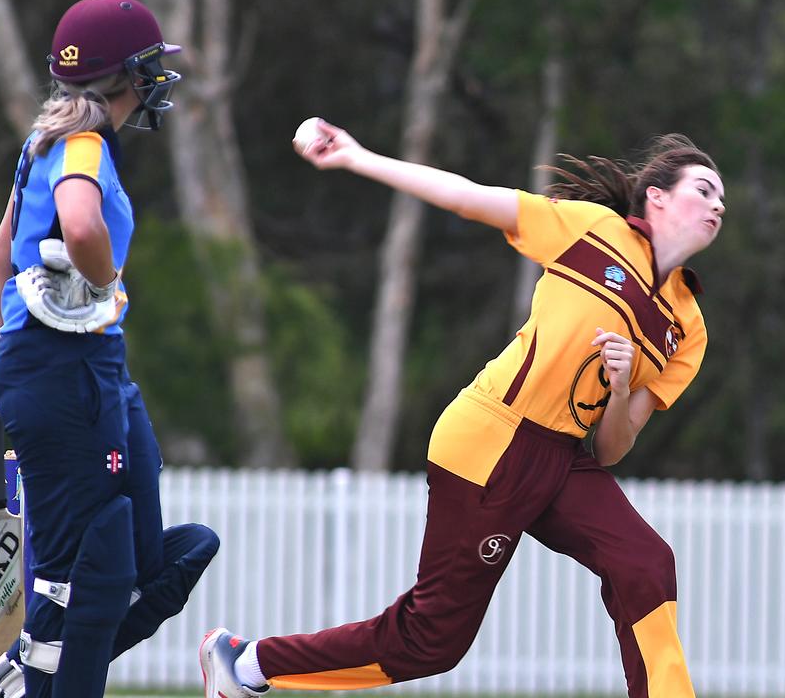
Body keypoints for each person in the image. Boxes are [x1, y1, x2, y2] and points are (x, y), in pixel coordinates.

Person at [199, 119, 724, 698]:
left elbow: (611, 448)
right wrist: (359, 157)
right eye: (703, 188)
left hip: (565, 458)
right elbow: (470, 198)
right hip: (491, 439)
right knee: (431, 642)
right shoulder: (593, 230)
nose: (716, 203)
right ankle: (245, 664)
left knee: (645, 562)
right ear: (656, 197)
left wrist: (622, 390)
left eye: (722, 197)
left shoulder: (689, 326)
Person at [0, 0, 218, 698]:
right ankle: (24, 679)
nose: (159, 77)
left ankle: (10, 675)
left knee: (156, 560)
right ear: (123, 75)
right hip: (66, 372)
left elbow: (6, 244)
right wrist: (100, 282)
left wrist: (2, 343)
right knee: (85, 584)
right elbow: (82, 227)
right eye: (150, 64)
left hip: (88, 368)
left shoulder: (44, 143)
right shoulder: (84, 145)